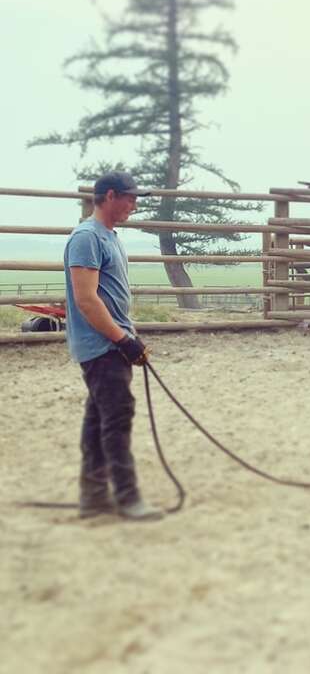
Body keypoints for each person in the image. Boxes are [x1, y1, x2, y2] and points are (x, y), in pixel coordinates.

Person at [65, 171, 164, 521]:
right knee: (117, 418)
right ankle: (127, 497)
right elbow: (87, 300)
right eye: (130, 198)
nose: (134, 205)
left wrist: (128, 334)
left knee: (98, 419)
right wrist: (122, 339)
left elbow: (110, 296)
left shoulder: (108, 236)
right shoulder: (86, 238)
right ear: (109, 196)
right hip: (102, 345)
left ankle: (93, 496)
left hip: (111, 342)